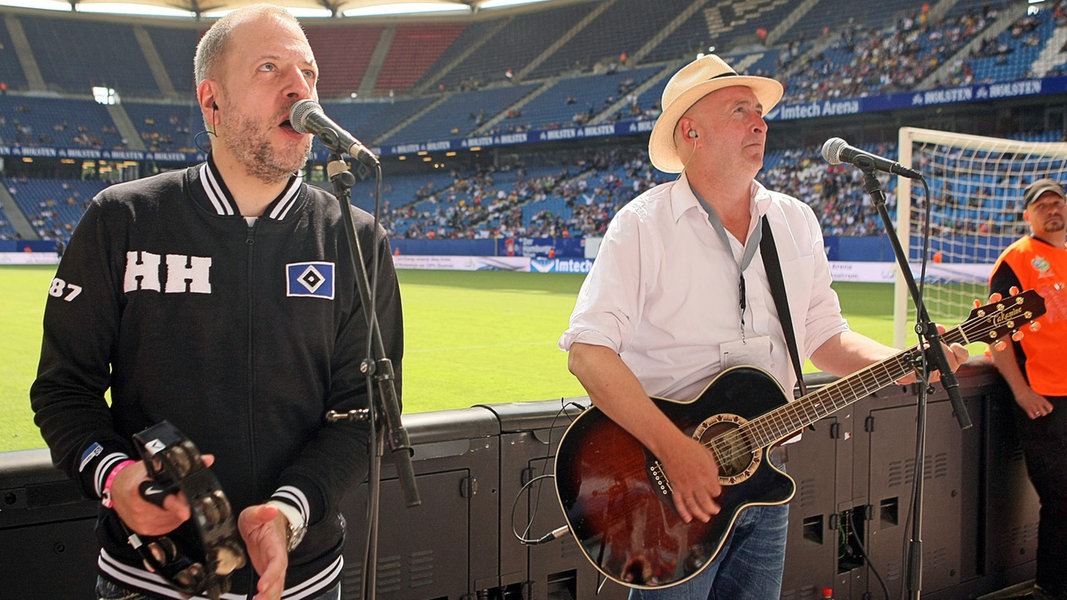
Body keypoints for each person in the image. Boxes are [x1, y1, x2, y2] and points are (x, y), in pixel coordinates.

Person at [558, 54, 968, 599]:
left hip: (760, 485)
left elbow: (825, 337)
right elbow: (587, 353)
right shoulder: (642, 226)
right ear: (691, 131)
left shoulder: (795, 220)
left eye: (760, 111)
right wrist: (676, 451)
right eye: (740, 110)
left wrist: (907, 362)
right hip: (667, 490)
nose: (760, 122)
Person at [29, 5, 403, 600]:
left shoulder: (355, 239)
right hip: (147, 580)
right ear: (212, 103)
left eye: (308, 73)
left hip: (302, 581)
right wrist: (115, 475)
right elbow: (62, 390)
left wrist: (288, 512)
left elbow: (364, 413)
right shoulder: (121, 219)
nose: (299, 89)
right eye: (269, 67)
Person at [988, 178, 1067, 600]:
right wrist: (1020, 391)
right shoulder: (1017, 260)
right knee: (1060, 499)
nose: (1052, 209)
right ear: (1028, 215)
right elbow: (996, 334)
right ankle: (1050, 588)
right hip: (1044, 399)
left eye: (1058, 202)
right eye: (1043, 205)